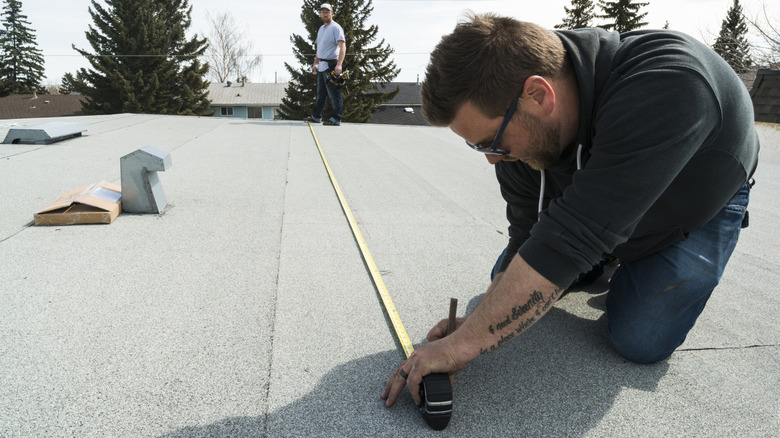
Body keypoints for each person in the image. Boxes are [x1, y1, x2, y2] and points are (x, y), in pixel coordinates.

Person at [381, 13, 759, 408]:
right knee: (507, 283)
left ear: (539, 95)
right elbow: (528, 237)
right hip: (598, 210)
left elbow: (569, 241)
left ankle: (613, 255)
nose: (492, 159)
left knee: (640, 339)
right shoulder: (519, 137)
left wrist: (464, 345)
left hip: (692, 205)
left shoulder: (669, 83)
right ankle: (603, 254)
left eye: (491, 141)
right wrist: (475, 327)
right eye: (477, 146)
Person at [307, 3, 346, 126]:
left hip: (331, 65)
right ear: (320, 14)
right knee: (321, 94)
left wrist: (339, 64)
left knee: (334, 94)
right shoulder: (321, 29)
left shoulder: (336, 28)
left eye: (327, 12)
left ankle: (336, 119)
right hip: (322, 66)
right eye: (322, 12)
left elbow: (342, 46)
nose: (325, 14)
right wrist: (315, 63)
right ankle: (316, 116)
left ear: (332, 13)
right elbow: (319, 48)